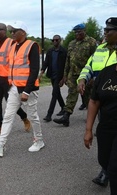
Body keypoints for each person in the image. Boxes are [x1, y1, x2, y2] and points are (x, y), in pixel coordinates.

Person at [0, 21, 44, 157]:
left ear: (23, 32)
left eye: (14, 31)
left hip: (29, 89)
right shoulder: (13, 47)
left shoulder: (31, 46)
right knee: (8, 116)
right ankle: (0, 145)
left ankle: (39, 141)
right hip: (15, 87)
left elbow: (34, 70)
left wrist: (27, 91)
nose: (12, 34)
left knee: (32, 116)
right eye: (11, 31)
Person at [78, 17, 117, 187]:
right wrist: (82, 79)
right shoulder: (100, 49)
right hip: (103, 96)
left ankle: (108, 172)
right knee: (105, 140)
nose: (105, 33)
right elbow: (89, 66)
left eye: (109, 30)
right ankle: (107, 166)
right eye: (105, 29)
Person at [0, 23, 31, 137]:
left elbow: (17, 58)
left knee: (10, 101)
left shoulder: (12, 43)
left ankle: (24, 117)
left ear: (5, 31)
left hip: (7, 79)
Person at [53, 23, 97, 127]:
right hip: (72, 74)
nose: (77, 34)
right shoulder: (72, 43)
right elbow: (68, 60)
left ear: (84, 31)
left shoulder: (91, 42)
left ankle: (92, 116)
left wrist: (93, 76)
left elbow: (95, 60)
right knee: (71, 94)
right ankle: (66, 117)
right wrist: (64, 76)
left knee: (88, 96)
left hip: (85, 75)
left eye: (79, 32)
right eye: (75, 32)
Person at [84, 62, 117, 195]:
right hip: (106, 128)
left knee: (115, 168)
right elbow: (94, 101)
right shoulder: (106, 73)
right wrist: (88, 130)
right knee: (105, 161)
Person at [38, 35, 67, 122]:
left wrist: (64, 78)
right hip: (52, 75)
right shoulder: (50, 51)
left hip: (59, 76)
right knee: (57, 93)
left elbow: (66, 65)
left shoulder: (64, 51)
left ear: (60, 40)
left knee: (54, 94)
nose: (54, 41)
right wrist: (42, 72)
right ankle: (63, 108)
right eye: (53, 40)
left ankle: (49, 114)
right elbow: (46, 62)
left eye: (56, 40)